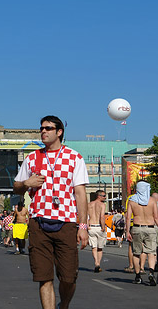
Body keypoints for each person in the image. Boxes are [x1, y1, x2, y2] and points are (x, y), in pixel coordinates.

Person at [14, 115, 88, 309]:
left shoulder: (74, 157)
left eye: (48, 128)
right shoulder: (32, 157)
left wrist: (83, 226)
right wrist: (26, 183)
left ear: (59, 132)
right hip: (39, 223)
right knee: (43, 276)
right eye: (41, 128)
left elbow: (80, 194)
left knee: (69, 277)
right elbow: (16, 187)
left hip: (66, 222)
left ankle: (63, 305)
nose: (43, 132)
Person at [125, 181, 158, 285]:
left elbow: (128, 217)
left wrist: (127, 231)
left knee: (136, 253)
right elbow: (156, 217)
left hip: (137, 228)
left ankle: (138, 275)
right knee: (151, 252)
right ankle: (151, 272)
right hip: (150, 228)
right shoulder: (152, 201)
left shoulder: (132, 200)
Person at [87, 190, 107, 273]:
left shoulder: (89, 204)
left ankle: (96, 262)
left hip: (91, 227)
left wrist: (87, 226)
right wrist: (103, 227)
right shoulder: (102, 205)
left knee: (94, 247)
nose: (105, 197)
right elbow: (102, 216)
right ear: (98, 196)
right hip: (99, 226)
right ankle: (98, 263)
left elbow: (86, 216)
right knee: (100, 248)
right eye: (103, 196)